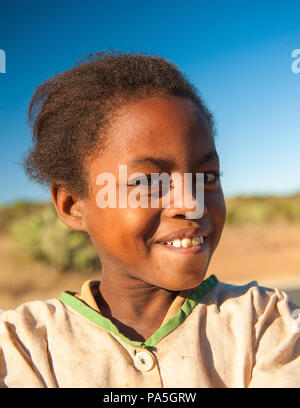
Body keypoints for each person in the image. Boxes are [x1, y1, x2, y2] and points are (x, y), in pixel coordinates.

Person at [0, 51, 299, 388]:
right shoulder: (22, 348)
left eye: (208, 177)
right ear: (72, 205)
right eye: (148, 182)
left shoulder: (262, 323)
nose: (191, 202)